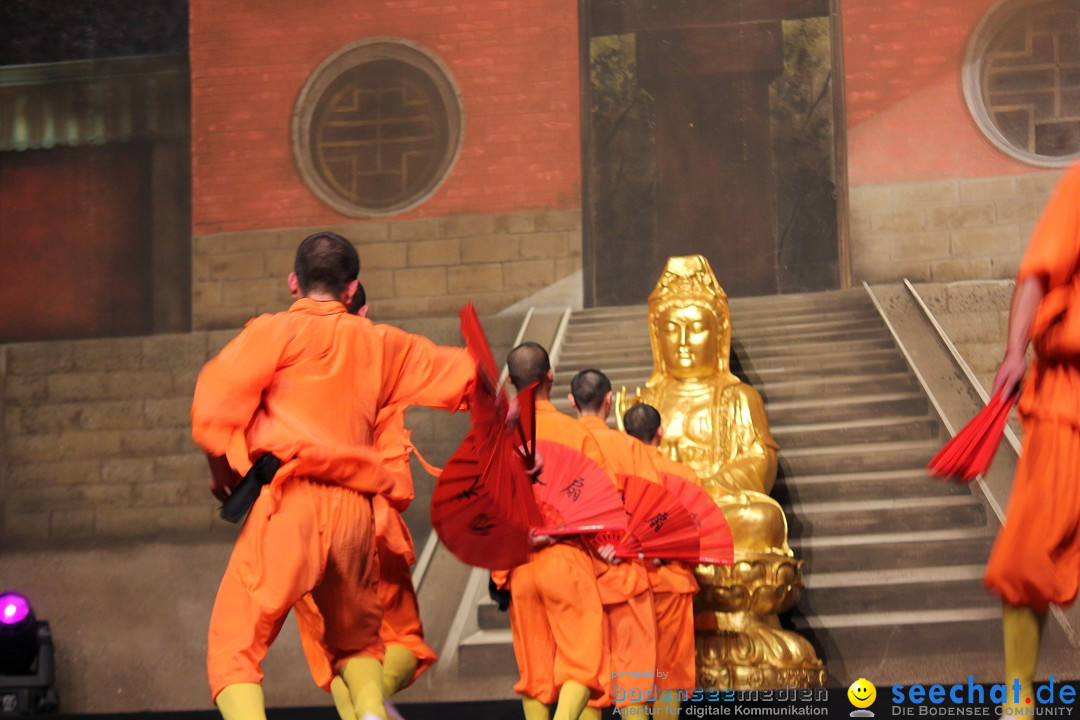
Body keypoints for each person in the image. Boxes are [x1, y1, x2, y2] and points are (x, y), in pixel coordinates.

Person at [191, 233, 474, 720]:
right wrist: (508, 404)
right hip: (354, 513)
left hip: (292, 500)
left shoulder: (273, 331)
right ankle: (369, 710)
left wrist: (221, 472)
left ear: (293, 282)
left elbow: (214, 404)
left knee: (234, 643)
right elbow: (463, 372)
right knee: (358, 643)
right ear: (351, 290)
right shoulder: (381, 343)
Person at [294, 282, 443, 720]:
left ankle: (368, 710)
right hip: (364, 524)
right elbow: (394, 474)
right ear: (365, 310)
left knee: (338, 653)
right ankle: (373, 709)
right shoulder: (374, 364)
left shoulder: (288, 359)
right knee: (403, 644)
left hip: (301, 528)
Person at [984, 162, 1080, 711]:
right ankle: (1019, 697)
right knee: (1029, 549)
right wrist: (1015, 352)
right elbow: (1038, 273)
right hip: (1069, 394)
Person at [493, 342, 608, 720]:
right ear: (551, 377)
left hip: (522, 564)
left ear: (511, 382)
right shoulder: (576, 435)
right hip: (567, 557)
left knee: (536, 676)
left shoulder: (499, 441)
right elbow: (601, 499)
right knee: (582, 665)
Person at [567, 369, 658, 718]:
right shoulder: (630, 447)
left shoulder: (562, 442)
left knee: (586, 681)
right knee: (632, 683)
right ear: (609, 402)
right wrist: (621, 543)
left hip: (577, 577)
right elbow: (653, 508)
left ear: (572, 401)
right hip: (625, 574)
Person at [624, 402, 702, 717]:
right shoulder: (683, 476)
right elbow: (699, 532)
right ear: (660, 432)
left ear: (625, 434)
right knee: (669, 673)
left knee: (631, 672)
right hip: (672, 580)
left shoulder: (618, 475)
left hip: (628, 583)